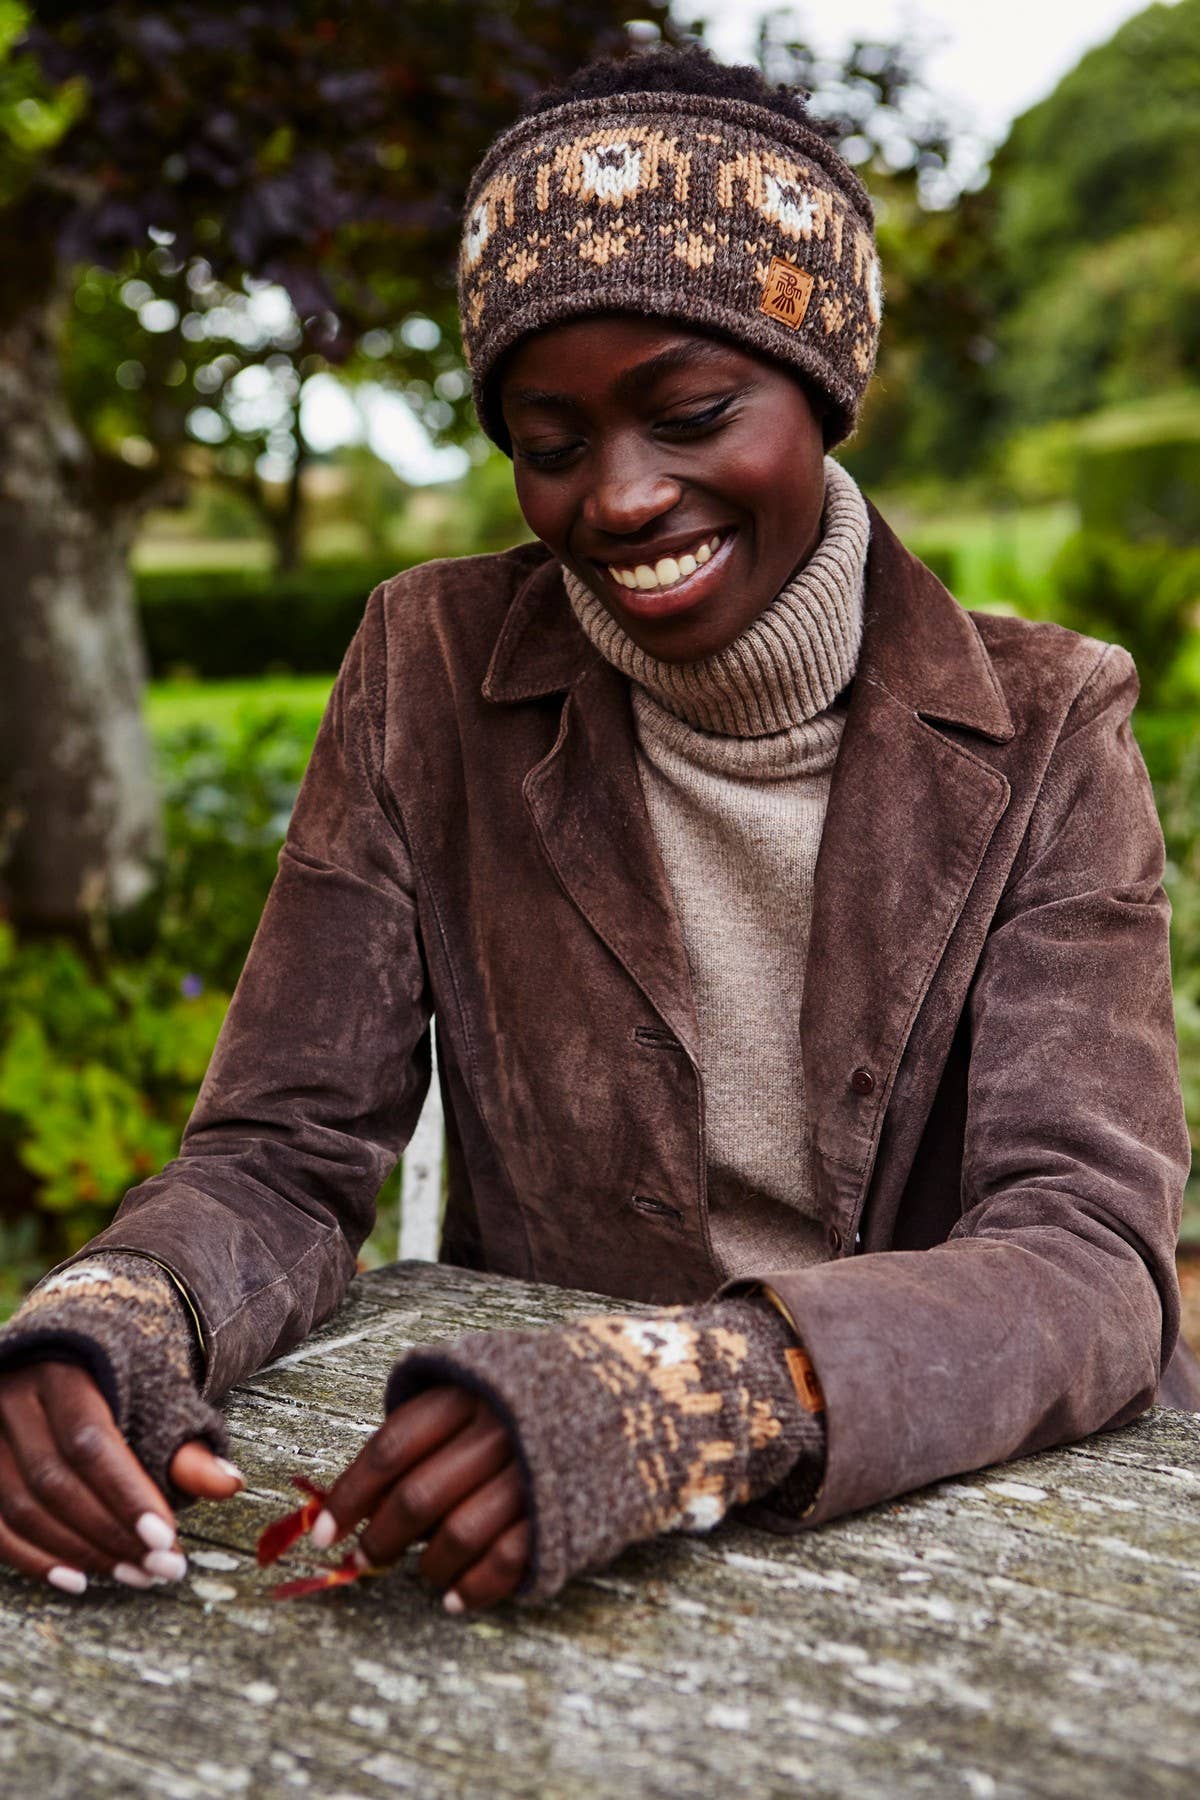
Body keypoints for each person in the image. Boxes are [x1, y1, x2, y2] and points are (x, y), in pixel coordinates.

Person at [0, 43, 1194, 1612]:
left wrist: (703, 1396)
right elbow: (283, 1154)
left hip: (963, 1525)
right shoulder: (428, 671)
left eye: (690, 411)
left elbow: (1093, 1251)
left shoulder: (1049, 723)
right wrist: (107, 1319)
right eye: (548, 447)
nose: (618, 501)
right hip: (535, 1533)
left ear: (822, 389)